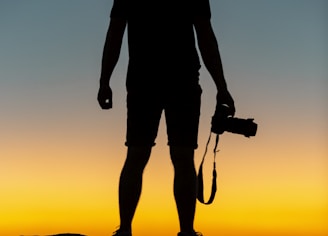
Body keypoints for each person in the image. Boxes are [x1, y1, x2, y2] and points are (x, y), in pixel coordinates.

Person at [97, 0, 235, 236]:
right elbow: (206, 38)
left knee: (137, 156)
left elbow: (115, 34)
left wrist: (104, 81)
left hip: (145, 82)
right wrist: (221, 87)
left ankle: (126, 231)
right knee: (181, 157)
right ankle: (186, 232)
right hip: (181, 81)